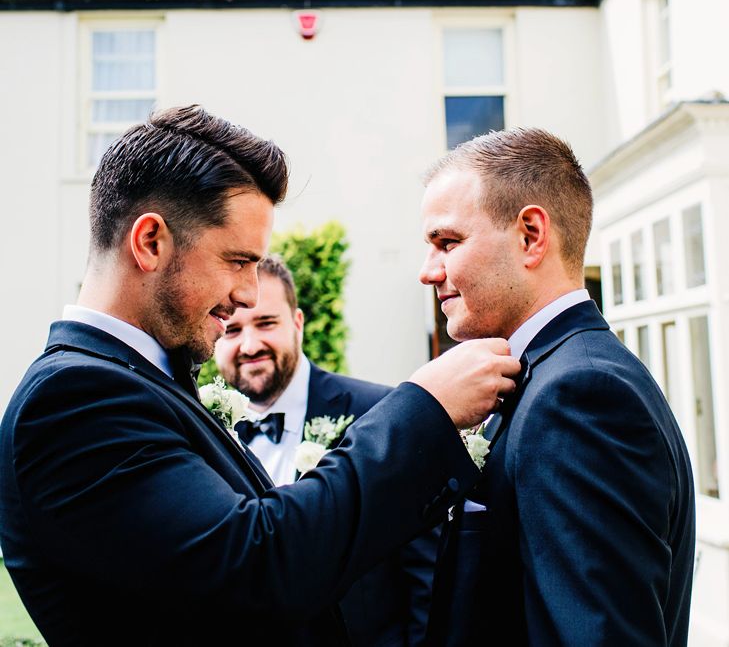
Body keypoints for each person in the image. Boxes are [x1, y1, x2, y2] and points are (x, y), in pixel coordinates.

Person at [0, 105, 521, 646]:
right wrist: (425, 410)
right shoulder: (72, 400)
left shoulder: (140, 378)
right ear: (150, 242)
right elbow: (257, 567)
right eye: (236, 260)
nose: (248, 293)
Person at [419, 128, 695, 646]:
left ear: (531, 235)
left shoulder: (581, 397)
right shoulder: (545, 376)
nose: (427, 271)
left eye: (447, 242)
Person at [214, 254, 437, 646]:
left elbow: (425, 575)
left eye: (266, 323)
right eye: (232, 330)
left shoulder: (378, 413)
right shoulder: (202, 430)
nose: (250, 345)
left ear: (297, 323)